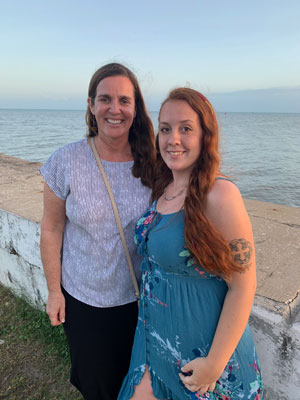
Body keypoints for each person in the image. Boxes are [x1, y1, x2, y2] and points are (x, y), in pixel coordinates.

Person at [118, 88, 264, 399]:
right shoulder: (164, 187)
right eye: (166, 128)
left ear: (205, 136)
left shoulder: (220, 195)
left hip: (203, 356)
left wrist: (214, 363)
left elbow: (243, 285)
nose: (173, 139)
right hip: (152, 340)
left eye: (186, 129)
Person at [39, 63, 156, 400]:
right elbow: (51, 228)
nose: (114, 109)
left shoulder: (153, 162)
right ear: (90, 105)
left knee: (139, 387)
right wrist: (54, 291)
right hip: (83, 300)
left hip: (139, 300)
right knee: (97, 386)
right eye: (105, 99)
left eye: (124, 100)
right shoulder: (65, 161)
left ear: (135, 108)